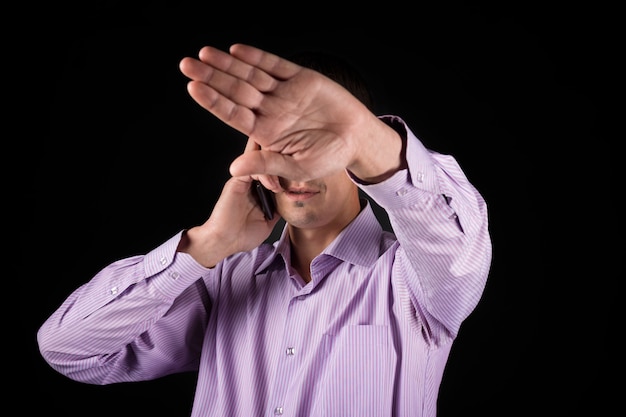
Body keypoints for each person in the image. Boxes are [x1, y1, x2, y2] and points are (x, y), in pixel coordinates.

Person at [37, 43, 492, 417]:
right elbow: (68, 349)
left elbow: (455, 244)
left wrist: (365, 137)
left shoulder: (411, 279)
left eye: (311, 146)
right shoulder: (219, 283)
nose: (296, 171)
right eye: (278, 148)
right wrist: (208, 243)